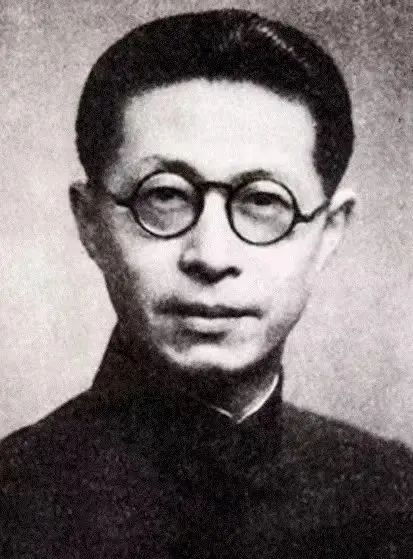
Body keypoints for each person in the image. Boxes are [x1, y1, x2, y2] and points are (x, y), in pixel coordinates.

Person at [0, 9, 412, 558]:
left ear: (330, 231)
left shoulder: (393, 497)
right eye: (165, 196)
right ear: (91, 223)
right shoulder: (13, 502)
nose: (212, 257)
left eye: (263, 200)